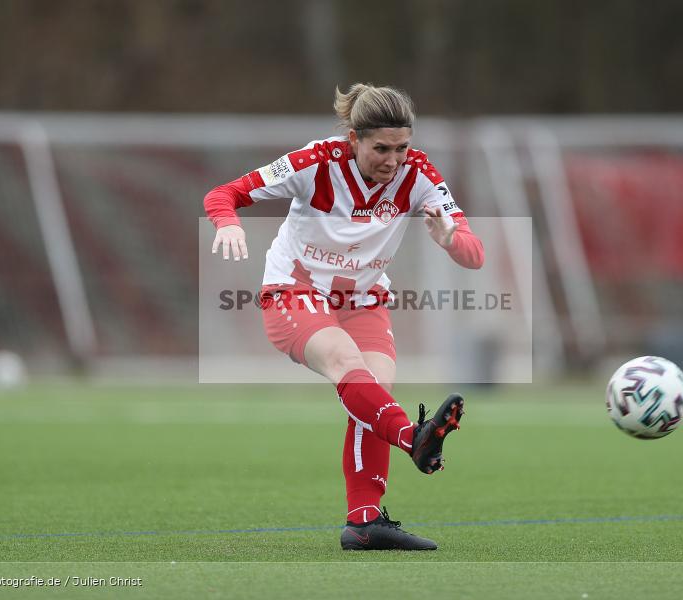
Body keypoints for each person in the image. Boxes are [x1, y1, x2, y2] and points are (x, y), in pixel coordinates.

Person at [203, 83, 484, 550]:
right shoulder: (315, 163)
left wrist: (449, 237)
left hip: (364, 301)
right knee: (346, 365)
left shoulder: (420, 175)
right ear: (354, 139)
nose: (393, 159)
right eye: (381, 148)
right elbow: (224, 194)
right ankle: (414, 438)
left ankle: (364, 524)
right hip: (294, 292)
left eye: (402, 147)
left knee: (373, 394)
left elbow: (474, 255)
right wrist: (228, 222)